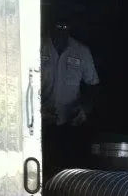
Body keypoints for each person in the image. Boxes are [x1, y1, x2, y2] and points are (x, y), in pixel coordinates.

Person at [40, 15, 99, 175]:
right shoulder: (36, 46)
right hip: (41, 125)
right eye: (58, 26)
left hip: (70, 124)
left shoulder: (81, 51)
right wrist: (38, 113)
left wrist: (84, 110)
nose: (61, 30)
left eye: (65, 27)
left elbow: (93, 86)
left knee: (69, 172)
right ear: (49, 26)